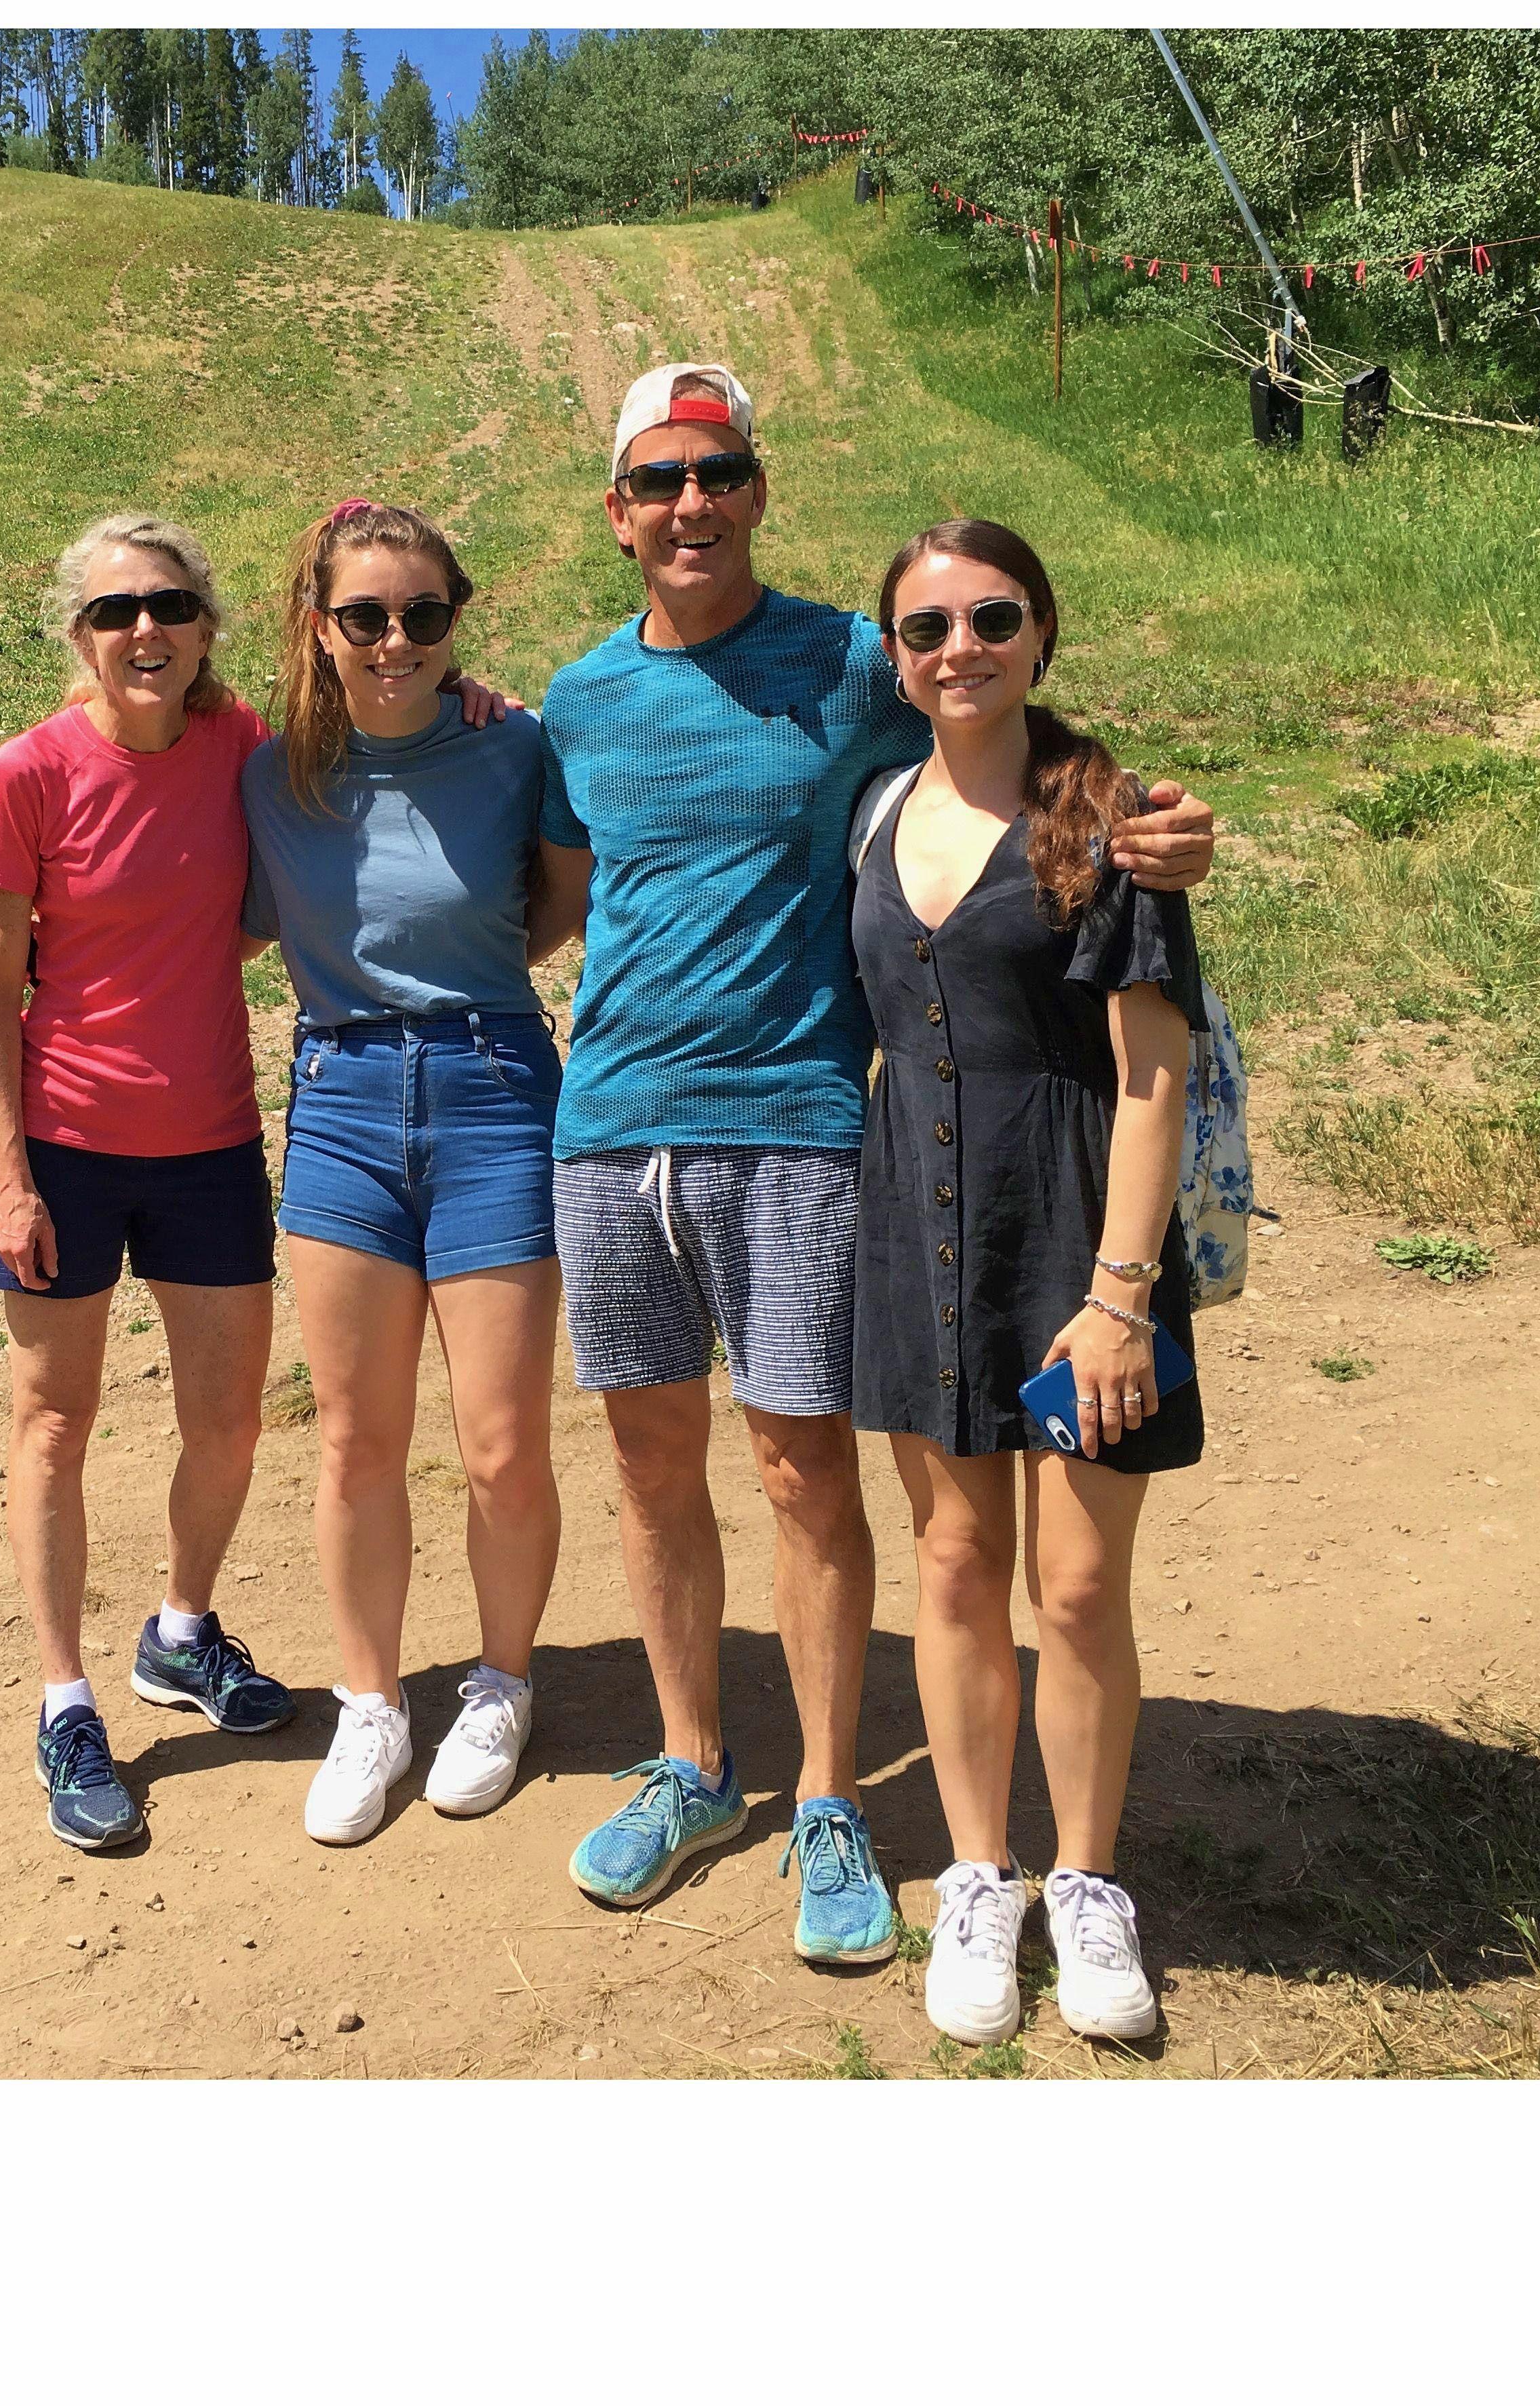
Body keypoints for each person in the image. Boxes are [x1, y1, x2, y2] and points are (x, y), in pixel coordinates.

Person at [529, 363, 1217, 1928]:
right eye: (658, 481)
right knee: (649, 1466)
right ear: (617, 514)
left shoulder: (858, 660)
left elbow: (1010, 729)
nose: (689, 503)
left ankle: (830, 1798)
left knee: (798, 1467)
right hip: (611, 1121)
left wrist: (1145, 819)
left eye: (719, 473)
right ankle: (694, 1761)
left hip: (798, 1127)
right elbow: (557, 890)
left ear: (759, 491)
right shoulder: (574, 699)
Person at [852, 519, 1201, 2047]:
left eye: (992, 620)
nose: (961, 651)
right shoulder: (873, 809)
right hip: (918, 1227)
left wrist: (1120, 1295)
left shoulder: (1106, 817)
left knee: (1071, 1585)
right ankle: (978, 1875)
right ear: (895, 658)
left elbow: (1152, 1077)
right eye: (929, 631)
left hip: (1075, 1238)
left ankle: (1088, 1878)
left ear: (1041, 632)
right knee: (949, 1566)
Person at [240, 500, 579, 1846]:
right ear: (318, 627)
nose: (395, 640)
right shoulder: (269, 777)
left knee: (500, 1444)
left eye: (424, 616)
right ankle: (372, 1705)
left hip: (496, 1089)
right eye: (366, 616)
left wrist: (479, 968)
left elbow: (563, 903)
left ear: (457, 623)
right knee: (356, 1439)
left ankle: (501, 1683)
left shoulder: (517, 748)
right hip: (342, 1102)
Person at [0, 513, 294, 1855]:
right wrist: (12, 1180)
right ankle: (64, 1700)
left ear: (205, 625)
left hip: (211, 1137)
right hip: (67, 1147)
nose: (142, 632)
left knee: (230, 1422)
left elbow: (285, 881)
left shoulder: (241, 749)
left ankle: (182, 1632)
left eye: (167, 606)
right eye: (114, 614)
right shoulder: (31, 773)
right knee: (55, 1421)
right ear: (79, 638)